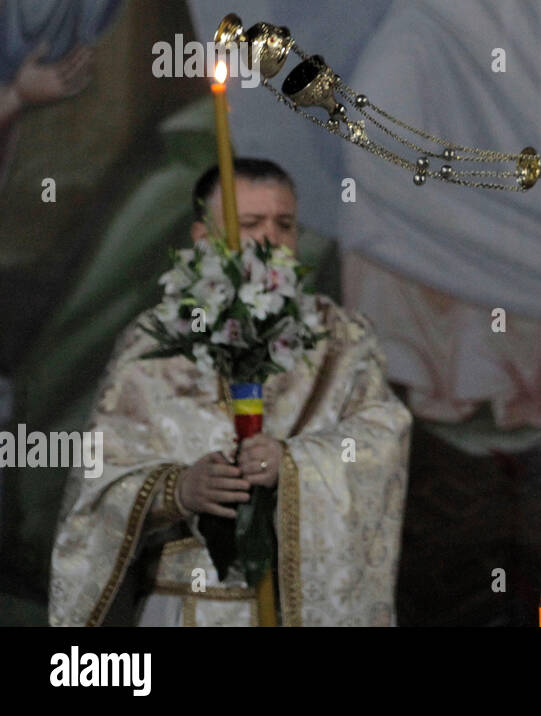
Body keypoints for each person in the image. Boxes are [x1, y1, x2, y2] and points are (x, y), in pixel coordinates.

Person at [48, 158, 411, 626]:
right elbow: (96, 482)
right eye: (250, 224)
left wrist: (295, 464)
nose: (271, 240)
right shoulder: (154, 340)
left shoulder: (342, 339)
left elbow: (383, 438)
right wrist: (176, 489)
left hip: (293, 608)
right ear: (203, 238)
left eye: (285, 224)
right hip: (181, 606)